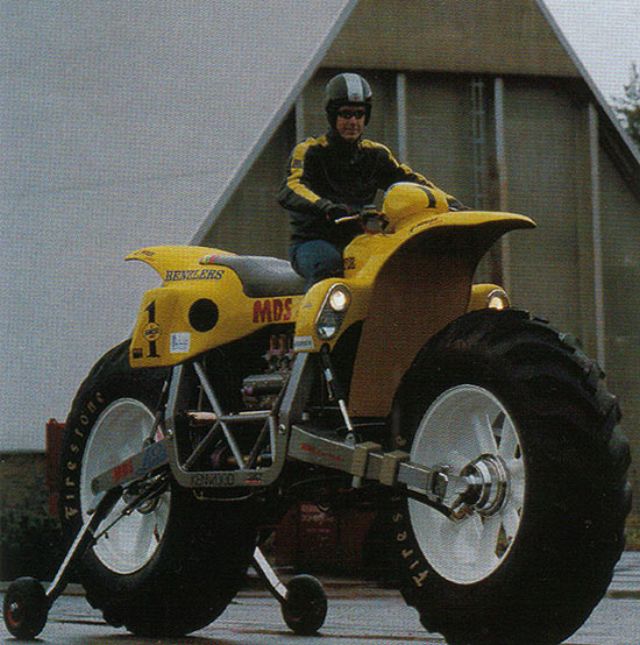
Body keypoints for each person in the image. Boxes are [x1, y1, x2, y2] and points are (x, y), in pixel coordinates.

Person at [278, 72, 466, 289]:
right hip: (313, 242)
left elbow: (413, 182)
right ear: (332, 115)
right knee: (328, 265)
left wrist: (452, 204)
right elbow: (291, 187)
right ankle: (317, 311)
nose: (353, 122)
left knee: (397, 263)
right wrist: (326, 207)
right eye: (345, 114)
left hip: (362, 240)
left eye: (359, 114)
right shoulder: (310, 151)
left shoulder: (375, 155)